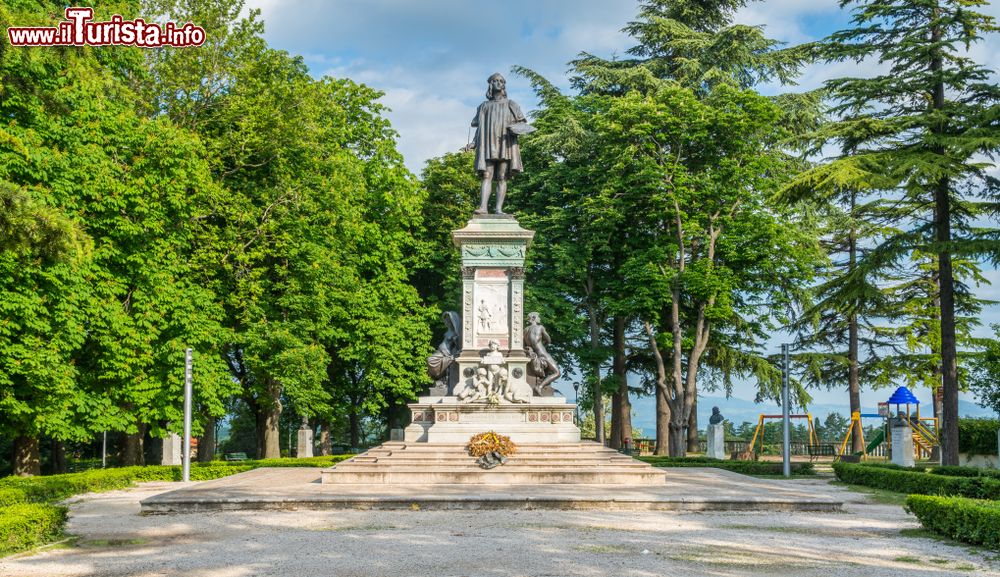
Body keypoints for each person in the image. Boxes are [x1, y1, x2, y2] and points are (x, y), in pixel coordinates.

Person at [468, 73, 533, 215]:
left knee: (502, 176)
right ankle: (483, 207)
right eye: (495, 81)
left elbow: (522, 123)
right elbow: (479, 128)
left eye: (501, 81)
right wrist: (473, 143)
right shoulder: (484, 106)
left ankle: (498, 209)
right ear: (491, 84)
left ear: (504, 85)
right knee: (487, 175)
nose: (499, 83)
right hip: (487, 144)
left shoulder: (511, 104)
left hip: (505, 143)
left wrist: (516, 129)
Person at [524, 312, 561, 395]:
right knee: (557, 373)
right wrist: (543, 344)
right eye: (538, 317)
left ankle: (542, 386)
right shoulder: (540, 327)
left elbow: (524, 345)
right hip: (543, 354)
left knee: (548, 372)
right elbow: (549, 340)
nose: (539, 319)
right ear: (533, 318)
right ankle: (540, 387)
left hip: (534, 355)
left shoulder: (525, 330)